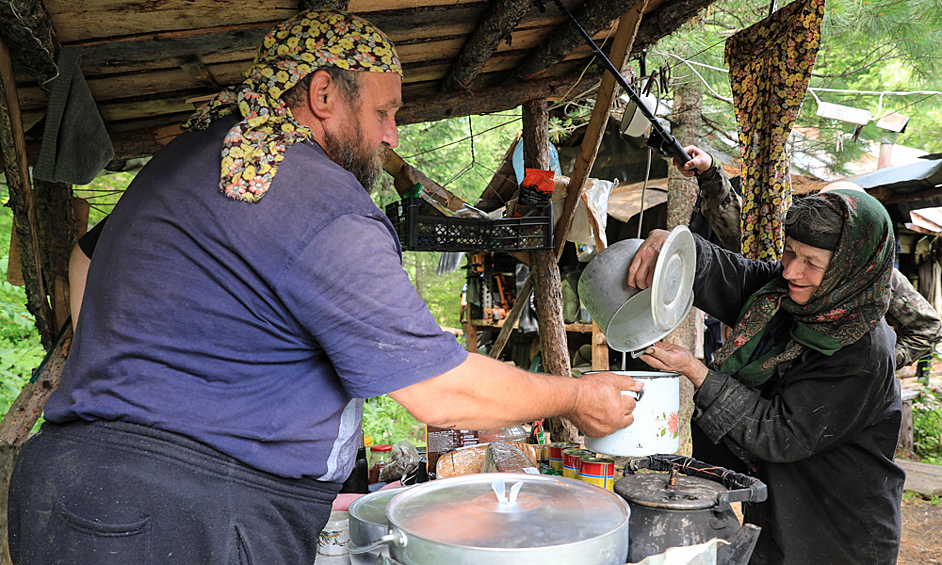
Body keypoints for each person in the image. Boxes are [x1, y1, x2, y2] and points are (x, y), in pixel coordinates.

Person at [8, 10, 642, 565]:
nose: (393, 135)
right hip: (182, 514)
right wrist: (574, 397)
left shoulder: (194, 157)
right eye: (384, 112)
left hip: (71, 485)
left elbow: (84, 258)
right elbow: (436, 392)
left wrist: (114, 375)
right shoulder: (318, 201)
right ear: (322, 95)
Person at [627, 185, 904, 564]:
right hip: (778, 509)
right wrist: (676, 247)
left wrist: (697, 372)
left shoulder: (862, 353)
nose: (791, 270)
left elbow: (780, 432)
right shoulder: (780, 294)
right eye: (789, 251)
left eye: (811, 262)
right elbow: (729, 274)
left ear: (847, 270)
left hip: (837, 530)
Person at [683, 146, 942, 369]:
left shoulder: (878, 279)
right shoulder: (793, 246)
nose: (790, 272)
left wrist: (882, 364)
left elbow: (928, 328)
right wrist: (710, 173)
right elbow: (738, 227)